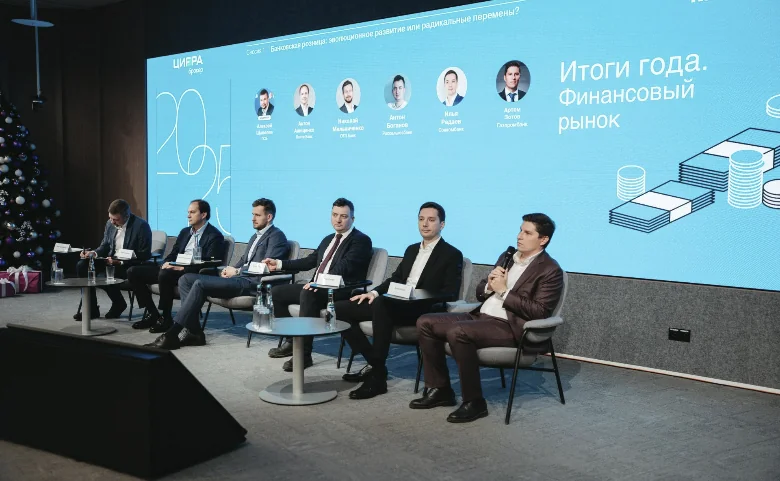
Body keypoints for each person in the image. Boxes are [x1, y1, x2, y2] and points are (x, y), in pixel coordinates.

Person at [411, 213, 563, 423]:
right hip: (480, 316)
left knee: (458, 332)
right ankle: (441, 389)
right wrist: (490, 286)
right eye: (520, 230)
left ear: (543, 239)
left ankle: (474, 402)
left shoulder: (550, 270)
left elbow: (539, 312)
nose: (519, 236)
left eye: (527, 233)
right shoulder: (507, 256)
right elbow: (480, 291)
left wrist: (504, 292)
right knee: (425, 321)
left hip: (509, 326)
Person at [336, 202, 463, 400]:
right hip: (394, 303)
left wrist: (416, 294)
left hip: (421, 308)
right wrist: (373, 293)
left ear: (442, 224)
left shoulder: (451, 254)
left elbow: (450, 293)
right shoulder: (411, 249)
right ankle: (376, 365)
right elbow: (395, 279)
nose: (425, 224)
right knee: (339, 309)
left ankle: (377, 379)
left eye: (431, 220)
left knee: (382, 304)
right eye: (421, 219)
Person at [145, 198, 289, 350]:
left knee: (199, 283)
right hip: (239, 279)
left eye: (257, 215)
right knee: (186, 279)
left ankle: (172, 333)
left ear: (269, 217)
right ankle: (194, 332)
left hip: (252, 283)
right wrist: (230, 269)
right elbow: (244, 260)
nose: (253, 218)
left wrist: (237, 271)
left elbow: (266, 266)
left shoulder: (277, 236)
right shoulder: (255, 236)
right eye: (252, 214)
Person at [263, 198, 373, 372]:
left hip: (340, 290)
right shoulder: (328, 239)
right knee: (277, 292)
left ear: (353, 219)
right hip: (316, 286)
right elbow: (309, 261)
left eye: (343, 216)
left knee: (309, 294)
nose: (338, 220)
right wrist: (279, 264)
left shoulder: (361, 240)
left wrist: (319, 283)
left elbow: (344, 267)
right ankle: (292, 342)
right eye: (335, 215)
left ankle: (304, 354)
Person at [126, 199, 224, 333]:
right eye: (188, 212)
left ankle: (166, 318)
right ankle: (153, 313)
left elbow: (210, 262)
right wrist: (166, 262)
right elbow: (174, 253)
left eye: (192, 212)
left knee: (165, 274)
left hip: (191, 272)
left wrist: (183, 268)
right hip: (174, 268)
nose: (188, 215)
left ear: (203, 214)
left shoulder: (214, 235)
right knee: (133, 272)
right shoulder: (185, 232)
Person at [74, 199, 152, 320]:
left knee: (107, 274)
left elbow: (144, 254)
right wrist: (93, 253)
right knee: (82, 265)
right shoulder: (110, 224)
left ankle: (118, 303)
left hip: (128, 264)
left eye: (116, 219)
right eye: (110, 218)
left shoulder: (141, 226)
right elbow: (105, 246)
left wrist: (120, 261)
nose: (112, 222)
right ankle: (91, 308)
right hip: (110, 261)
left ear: (126, 216)